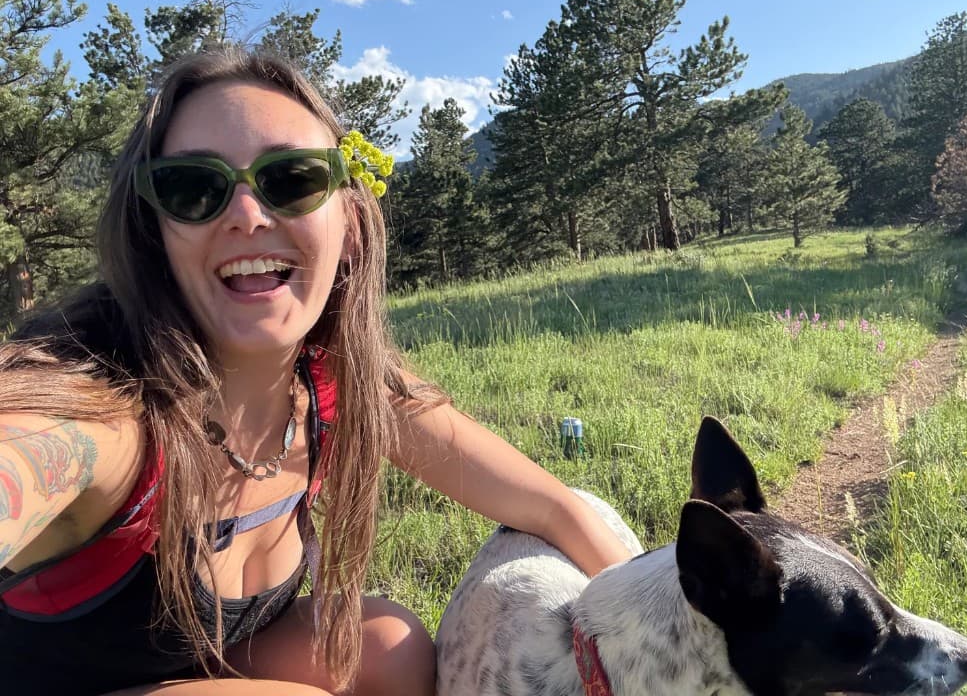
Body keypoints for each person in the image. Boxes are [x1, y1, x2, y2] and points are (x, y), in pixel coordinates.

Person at [0, 47, 634, 696]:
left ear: (350, 226)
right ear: (157, 234)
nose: (246, 214)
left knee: (389, 647)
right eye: (193, 189)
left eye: (293, 178)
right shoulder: (102, 408)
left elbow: (556, 509)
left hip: (209, 664)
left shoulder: (337, 384)